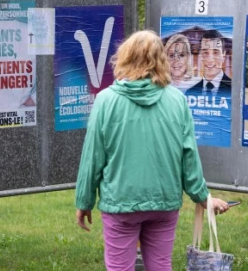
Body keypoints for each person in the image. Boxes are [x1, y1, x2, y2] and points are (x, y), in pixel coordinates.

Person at [74, 30, 230, 271]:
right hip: (164, 204)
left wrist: (84, 201)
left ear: (125, 57)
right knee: (160, 266)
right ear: (161, 60)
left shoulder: (105, 101)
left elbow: (92, 157)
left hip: (121, 203)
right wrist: (202, 197)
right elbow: (189, 158)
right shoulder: (177, 101)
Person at [185, 29, 231, 98]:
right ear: (200, 55)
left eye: (215, 53)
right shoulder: (190, 93)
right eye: (205, 53)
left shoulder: (234, 90)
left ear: (223, 55)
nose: (210, 60)